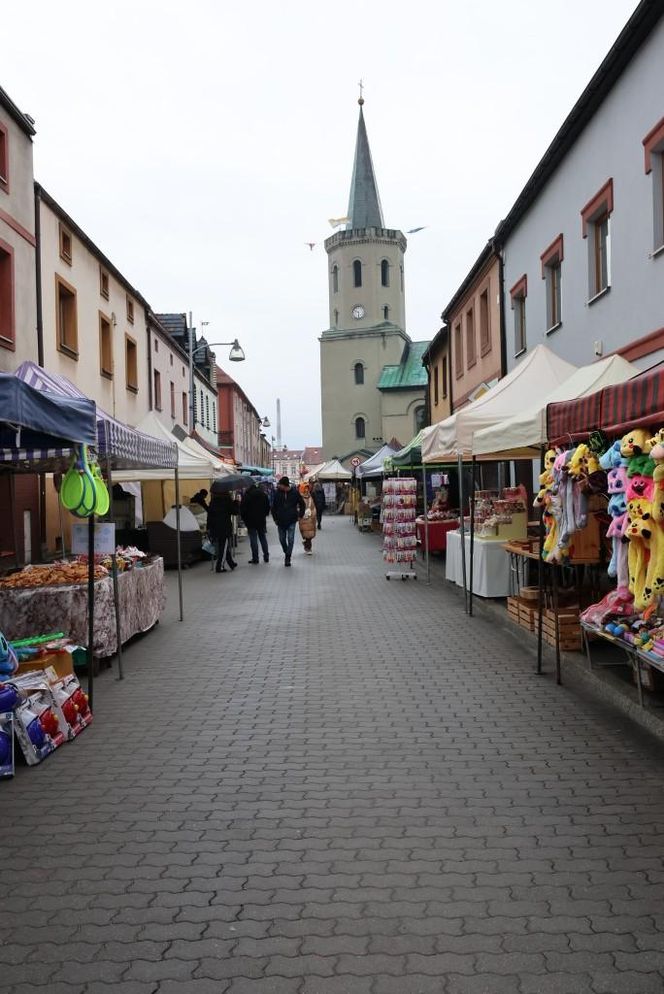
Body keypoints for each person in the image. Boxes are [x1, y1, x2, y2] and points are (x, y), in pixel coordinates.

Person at [271, 476, 305, 566]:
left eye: (280, 484)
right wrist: (275, 518)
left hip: (291, 520)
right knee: (282, 539)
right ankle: (286, 551)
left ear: (285, 485)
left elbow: (302, 504)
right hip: (280, 521)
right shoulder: (277, 493)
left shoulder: (295, 492)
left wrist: (300, 515)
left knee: (291, 539)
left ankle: (288, 557)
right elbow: (273, 507)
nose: (278, 486)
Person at [206, 492, 239, 573]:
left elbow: (209, 515)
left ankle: (231, 563)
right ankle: (219, 566)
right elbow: (235, 512)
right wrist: (236, 503)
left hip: (215, 528)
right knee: (223, 548)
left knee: (223, 546)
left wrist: (208, 527)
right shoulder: (227, 501)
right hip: (224, 528)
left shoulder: (213, 502)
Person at [240, 481, 271, 564]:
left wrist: (245, 519)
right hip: (261, 520)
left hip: (250, 521)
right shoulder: (263, 494)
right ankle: (266, 556)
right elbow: (267, 506)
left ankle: (255, 558)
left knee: (253, 539)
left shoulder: (247, 495)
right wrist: (264, 514)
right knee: (262, 538)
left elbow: (242, 509)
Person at [299, 483, 317, 554]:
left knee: (310, 534)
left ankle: (307, 546)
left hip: (311, 518)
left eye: (307, 488)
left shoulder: (310, 497)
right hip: (303, 518)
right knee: (307, 534)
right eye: (305, 488)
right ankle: (308, 547)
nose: (306, 490)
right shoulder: (300, 497)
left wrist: (313, 513)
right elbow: (297, 507)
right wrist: (301, 514)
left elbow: (313, 507)